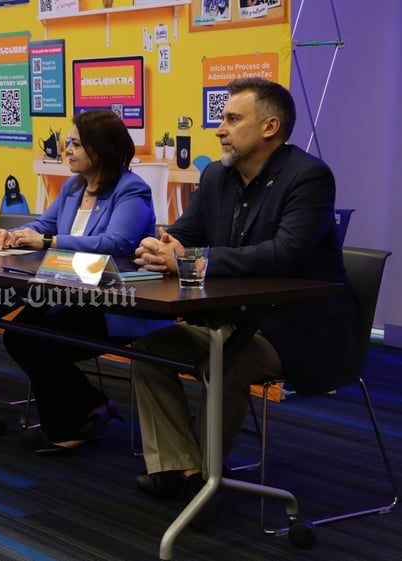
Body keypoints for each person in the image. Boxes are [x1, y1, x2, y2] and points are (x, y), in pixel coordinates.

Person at [130, 77, 359, 527]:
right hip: (229, 315)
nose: (220, 129)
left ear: (270, 127)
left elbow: (284, 254)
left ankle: (202, 481)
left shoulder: (308, 177)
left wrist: (190, 259)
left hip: (296, 326)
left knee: (227, 365)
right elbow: (188, 234)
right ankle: (188, 471)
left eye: (232, 119)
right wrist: (163, 245)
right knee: (150, 352)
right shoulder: (217, 174)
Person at [0, 110, 171, 454]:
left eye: (73, 144)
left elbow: (117, 244)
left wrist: (47, 243)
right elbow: (43, 226)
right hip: (73, 294)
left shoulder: (132, 189)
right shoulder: (73, 187)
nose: (66, 150)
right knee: (19, 335)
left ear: (98, 151)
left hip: (119, 301)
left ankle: (72, 424)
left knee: (39, 341)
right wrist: (10, 235)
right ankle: (91, 404)